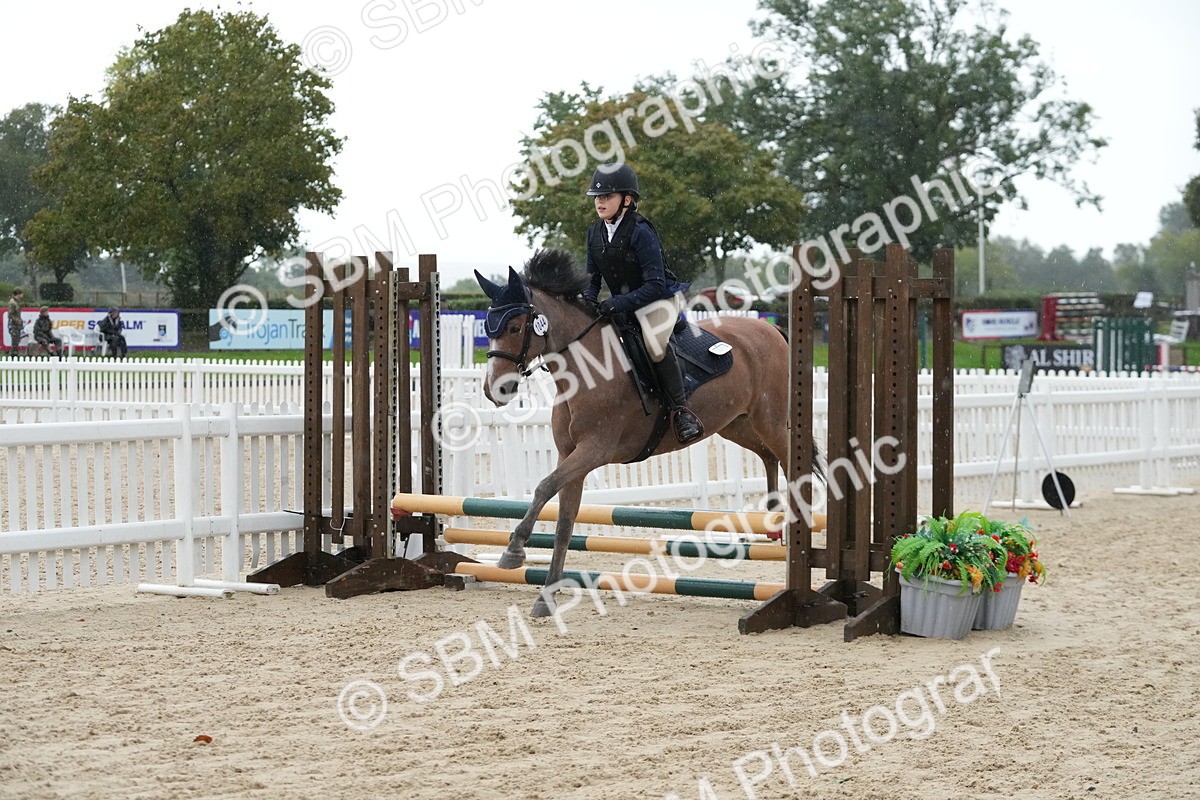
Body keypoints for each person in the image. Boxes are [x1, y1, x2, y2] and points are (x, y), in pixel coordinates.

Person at [581, 163, 704, 445]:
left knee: (653, 344)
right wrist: (587, 301)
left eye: (606, 196)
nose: (599, 201)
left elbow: (656, 285)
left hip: (658, 302)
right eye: (597, 197)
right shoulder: (594, 233)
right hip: (622, 304)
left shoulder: (641, 231)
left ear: (626, 200)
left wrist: (619, 301)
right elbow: (592, 279)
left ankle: (681, 410)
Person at [6, 287, 24, 358]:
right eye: (21, 294)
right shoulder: (12, 302)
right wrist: (18, 321)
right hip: (14, 325)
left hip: (17, 325)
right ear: (18, 294)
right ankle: (13, 356)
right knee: (15, 342)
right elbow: (10, 314)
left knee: (16, 341)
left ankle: (15, 355)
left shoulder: (16, 302)